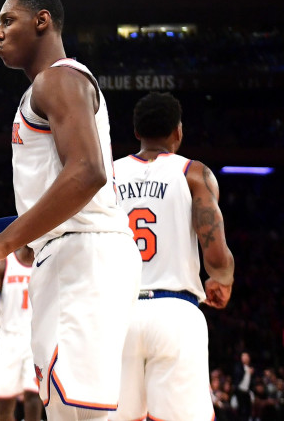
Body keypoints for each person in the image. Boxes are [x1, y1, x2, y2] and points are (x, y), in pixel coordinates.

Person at [0, 0, 141, 420]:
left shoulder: (60, 78)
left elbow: (87, 171)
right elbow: (60, 206)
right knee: (66, 410)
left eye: (7, 20)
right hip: (70, 252)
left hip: (86, 255)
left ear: (42, 21)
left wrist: (3, 244)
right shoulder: (43, 89)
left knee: (82, 414)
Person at [109, 91, 235, 420]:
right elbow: (215, 245)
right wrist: (222, 278)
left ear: (136, 132)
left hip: (118, 315)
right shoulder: (194, 173)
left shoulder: (105, 176)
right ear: (178, 131)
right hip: (175, 311)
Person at [0, 245, 42, 421]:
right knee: (4, 403)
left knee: (33, 394)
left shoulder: (45, 259)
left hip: (36, 337)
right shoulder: (5, 261)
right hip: (8, 337)